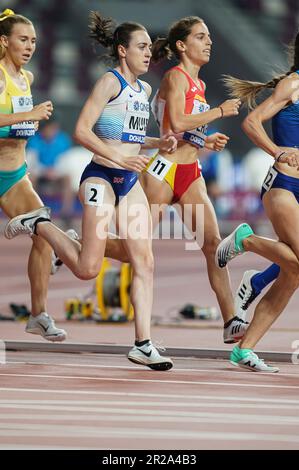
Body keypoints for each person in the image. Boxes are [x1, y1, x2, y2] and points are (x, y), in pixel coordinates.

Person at [5, 11, 176, 370]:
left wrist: (157, 141)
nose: (148, 53)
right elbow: (82, 131)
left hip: (129, 183)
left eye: (149, 48)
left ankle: (142, 344)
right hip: (100, 178)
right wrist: (118, 158)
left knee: (144, 260)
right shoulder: (108, 83)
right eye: (142, 47)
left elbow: (128, 137)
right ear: (122, 51)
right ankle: (41, 224)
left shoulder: (144, 90)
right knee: (86, 269)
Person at [105, 16, 247, 344]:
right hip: (164, 172)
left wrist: (207, 140)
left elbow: (184, 128)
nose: (209, 42)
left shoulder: (201, 85)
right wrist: (220, 113)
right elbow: (178, 121)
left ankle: (230, 320)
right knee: (133, 250)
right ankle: (79, 247)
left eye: (209, 36)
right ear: (182, 45)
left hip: (190, 172)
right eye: (201, 37)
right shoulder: (175, 77)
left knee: (213, 245)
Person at [215, 27, 299, 372]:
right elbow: (251, 122)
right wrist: (277, 150)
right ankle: (246, 239)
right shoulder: (293, 84)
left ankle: (244, 349)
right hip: (285, 187)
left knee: (293, 272)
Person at [0, 8, 66, 341]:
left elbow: (16, 125)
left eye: (34, 41)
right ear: (3, 41)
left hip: (13, 176)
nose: (30, 46)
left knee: (43, 234)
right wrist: (29, 114)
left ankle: (38, 314)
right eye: (23, 39)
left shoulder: (27, 79)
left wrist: (29, 123)